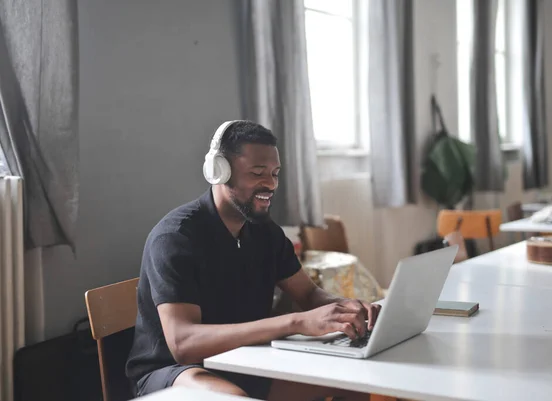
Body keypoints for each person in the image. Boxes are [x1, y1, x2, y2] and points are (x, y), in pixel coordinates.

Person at [125, 120, 382, 400]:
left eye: (275, 173)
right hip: (176, 372)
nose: (270, 184)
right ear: (219, 172)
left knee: (351, 381)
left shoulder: (265, 232)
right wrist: (296, 322)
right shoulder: (175, 238)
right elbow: (184, 344)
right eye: (258, 173)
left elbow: (308, 293)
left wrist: (348, 308)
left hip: (245, 359)